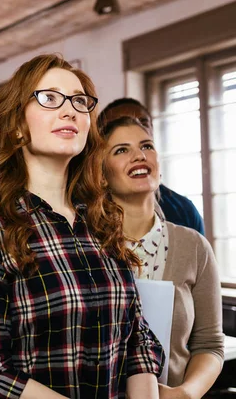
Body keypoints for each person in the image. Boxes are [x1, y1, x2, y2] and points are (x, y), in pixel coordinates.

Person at [0, 54, 165, 399]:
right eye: (50, 98)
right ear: (18, 125)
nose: (69, 110)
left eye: (79, 101)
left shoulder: (103, 222)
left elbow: (138, 341)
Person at [100, 116, 224, 399]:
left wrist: (185, 393)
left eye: (146, 146)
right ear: (100, 173)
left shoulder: (194, 246)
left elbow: (210, 344)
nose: (139, 155)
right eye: (121, 150)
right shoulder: (84, 244)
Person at [97, 98, 205, 235]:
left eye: (142, 122)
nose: (132, 127)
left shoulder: (184, 211)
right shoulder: (84, 224)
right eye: (121, 150)